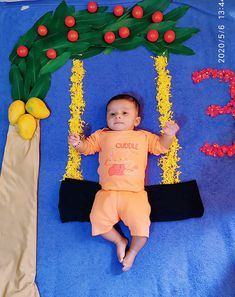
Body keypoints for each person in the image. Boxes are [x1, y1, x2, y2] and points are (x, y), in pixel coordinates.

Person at [68, 94, 179, 272]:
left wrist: (168, 135)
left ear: (136, 120)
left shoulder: (143, 136)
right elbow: (87, 149)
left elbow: (161, 147)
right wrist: (78, 143)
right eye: (112, 114)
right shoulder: (102, 135)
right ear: (107, 119)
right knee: (97, 221)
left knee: (141, 229)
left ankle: (133, 252)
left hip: (134, 194)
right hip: (107, 192)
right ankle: (119, 240)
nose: (117, 116)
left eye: (124, 113)